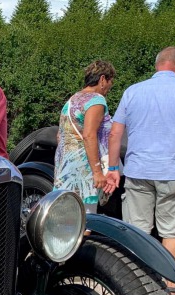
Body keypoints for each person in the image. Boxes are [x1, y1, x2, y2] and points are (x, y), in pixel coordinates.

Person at [104, 46, 175, 295]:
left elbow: (115, 132)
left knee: (136, 229)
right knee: (172, 230)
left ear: (157, 65)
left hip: (138, 171)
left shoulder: (133, 91)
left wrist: (112, 167)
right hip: (174, 172)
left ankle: (136, 285)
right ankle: (171, 285)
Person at [53, 60, 116, 214]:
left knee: (66, 221)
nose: (110, 87)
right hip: (83, 171)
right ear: (102, 79)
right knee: (86, 222)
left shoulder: (72, 99)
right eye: (110, 82)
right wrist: (97, 172)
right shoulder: (96, 100)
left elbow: (59, 136)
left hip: (65, 168)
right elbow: (89, 135)